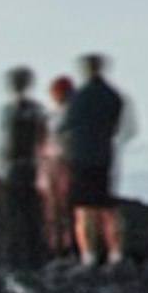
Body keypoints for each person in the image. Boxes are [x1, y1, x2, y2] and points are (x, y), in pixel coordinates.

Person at [59, 52, 134, 267]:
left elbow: (65, 126)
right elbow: (123, 129)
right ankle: (115, 252)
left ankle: (89, 255)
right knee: (107, 206)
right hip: (104, 153)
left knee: (83, 209)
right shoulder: (114, 96)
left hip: (80, 155)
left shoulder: (77, 97)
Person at [0, 67, 47, 269]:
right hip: (32, 164)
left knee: (15, 214)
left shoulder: (10, 110)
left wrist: (1, 165)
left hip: (16, 165)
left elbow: (7, 141)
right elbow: (42, 138)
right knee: (32, 214)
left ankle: (16, 259)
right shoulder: (37, 110)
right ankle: (34, 258)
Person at [41, 73, 78, 258]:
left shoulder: (65, 116)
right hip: (54, 162)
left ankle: (64, 245)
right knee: (55, 207)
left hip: (62, 162)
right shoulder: (52, 116)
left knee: (63, 206)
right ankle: (59, 244)